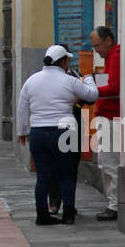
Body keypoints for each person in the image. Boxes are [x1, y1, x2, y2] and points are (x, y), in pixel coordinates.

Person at [17, 45, 98, 226]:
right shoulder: (69, 81)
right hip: (64, 132)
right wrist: (89, 79)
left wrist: (22, 131)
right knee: (67, 174)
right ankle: (68, 214)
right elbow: (92, 95)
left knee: (43, 177)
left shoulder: (32, 81)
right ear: (63, 61)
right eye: (68, 60)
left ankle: (42, 214)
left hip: (38, 133)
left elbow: (22, 108)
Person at [90, 26, 121, 221]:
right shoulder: (110, 58)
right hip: (106, 115)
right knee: (105, 161)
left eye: (98, 46)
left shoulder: (115, 57)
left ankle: (114, 204)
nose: (96, 51)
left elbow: (115, 86)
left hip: (111, 116)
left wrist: (93, 90)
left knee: (109, 162)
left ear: (108, 40)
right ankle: (113, 202)